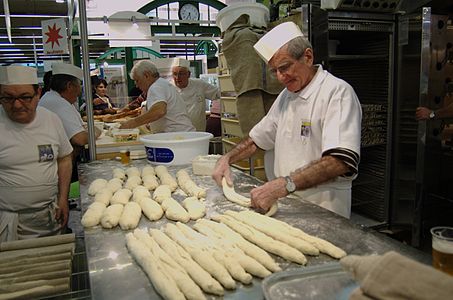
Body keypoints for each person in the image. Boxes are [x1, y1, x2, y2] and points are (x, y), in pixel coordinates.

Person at [212, 22, 362, 218]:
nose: (281, 77)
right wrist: (227, 159)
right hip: (286, 200)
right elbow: (258, 139)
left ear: (308, 57)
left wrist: (286, 184)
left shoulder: (336, 93)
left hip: (323, 206)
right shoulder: (286, 96)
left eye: (284, 67)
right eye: (274, 71)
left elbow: (341, 161)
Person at [0, 65, 73, 241]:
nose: (17, 105)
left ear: (38, 93)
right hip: (9, 223)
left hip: (50, 216)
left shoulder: (51, 119)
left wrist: (63, 198)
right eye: (8, 98)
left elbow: (64, 159)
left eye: (25, 97)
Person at [40, 62, 101, 158]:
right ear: (69, 86)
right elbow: (79, 139)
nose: (80, 90)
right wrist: (95, 132)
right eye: (80, 84)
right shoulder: (58, 103)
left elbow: (81, 126)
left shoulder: (56, 98)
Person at [119, 60, 195, 132]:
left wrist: (131, 123)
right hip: (181, 134)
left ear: (146, 75)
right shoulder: (161, 84)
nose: (136, 85)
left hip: (178, 137)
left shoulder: (156, 87)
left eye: (137, 80)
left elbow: (159, 111)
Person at [171, 58, 220, 132]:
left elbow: (218, 94)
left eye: (181, 74)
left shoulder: (199, 84)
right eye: (175, 74)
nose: (177, 78)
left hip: (198, 131)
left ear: (189, 74)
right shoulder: (168, 88)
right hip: (177, 131)